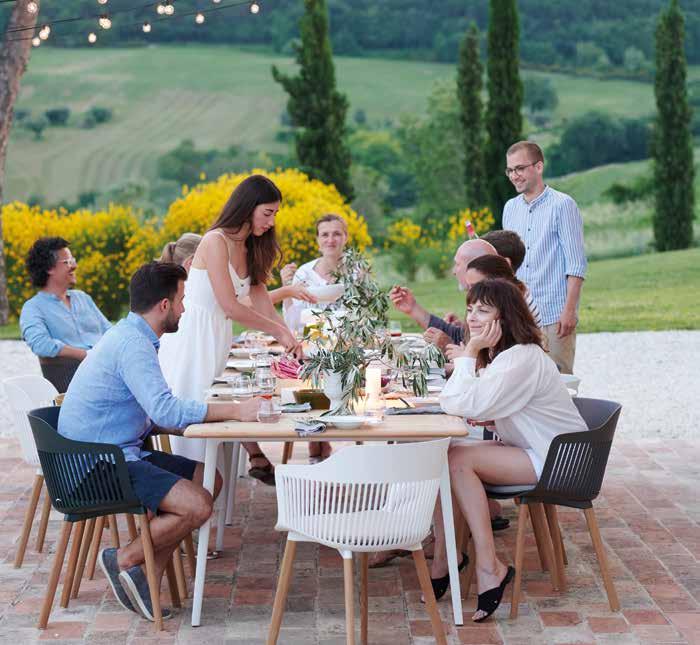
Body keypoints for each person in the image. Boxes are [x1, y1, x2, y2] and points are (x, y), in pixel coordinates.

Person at [58, 261, 261, 622]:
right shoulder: (133, 345)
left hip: (116, 451)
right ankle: (124, 559)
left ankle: (144, 573)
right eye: (182, 300)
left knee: (208, 479)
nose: (184, 309)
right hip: (95, 464)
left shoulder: (131, 336)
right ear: (164, 305)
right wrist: (235, 410)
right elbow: (165, 410)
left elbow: (150, 412)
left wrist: (202, 420)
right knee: (197, 505)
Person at [429, 278, 586, 621]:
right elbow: (469, 403)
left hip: (560, 459)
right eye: (470, 309)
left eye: (483, 310)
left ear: (506, 316)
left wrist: (469, 352)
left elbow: (455, 402)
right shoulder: (507, 357)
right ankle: (449, 557)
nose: (472, 317)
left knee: (456, 459)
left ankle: (486, 565)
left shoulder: (520, 358)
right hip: (539, 449)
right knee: (447, 453)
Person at [158, 175, 299, 484]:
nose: (272, 222)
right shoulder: (215, 241)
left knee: (217, 412)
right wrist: (278, 333)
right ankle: (189, 493)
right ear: (247, 207)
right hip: (192, 338)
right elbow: (229, 305)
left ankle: (214, 495)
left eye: (275, 214)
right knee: (196, 416)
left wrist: (289, 336)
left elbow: (261, 301)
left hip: (217, 337)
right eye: (267, 213)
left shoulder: (252, 247)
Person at [502, 141, 587, 374]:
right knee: (522, 382)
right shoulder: (509, 208)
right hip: (520, 315)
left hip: (554, 315)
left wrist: (569, 311)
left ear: (538, 167)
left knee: (559, 381)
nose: (514, 176)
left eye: (520, 168)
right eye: (510, 170)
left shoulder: (563, 205)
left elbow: (576, 265)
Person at [280, 213, 350, 463]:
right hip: (311, 346)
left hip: (345, 346)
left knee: (339, 364)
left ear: (345, 238)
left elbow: (364, 314)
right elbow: (292, 321)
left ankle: (322, 442)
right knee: (312, 363)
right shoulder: (304, 272)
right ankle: (316, 441)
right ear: (318, 240)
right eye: (325, 234)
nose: (331, 239)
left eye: (336, 234)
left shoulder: (356, 271)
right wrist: (286, 288)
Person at [19, 236, 111, 390]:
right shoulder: (33, 308)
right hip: (76, 385)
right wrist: (86, 355)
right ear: (49, 268)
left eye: (73, 260)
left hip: (109, 372)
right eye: (68, 262)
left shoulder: (83, 298)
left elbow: (109, 331)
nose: (74, 266)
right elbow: (41, 344)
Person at [389, 238, 497, 344]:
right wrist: (413, 308)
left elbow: (487, 354)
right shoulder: (485, 296)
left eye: (457, 264)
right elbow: (460, 337)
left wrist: (447, 344)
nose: (454, 271)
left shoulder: (496, 301)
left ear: (476, 266)